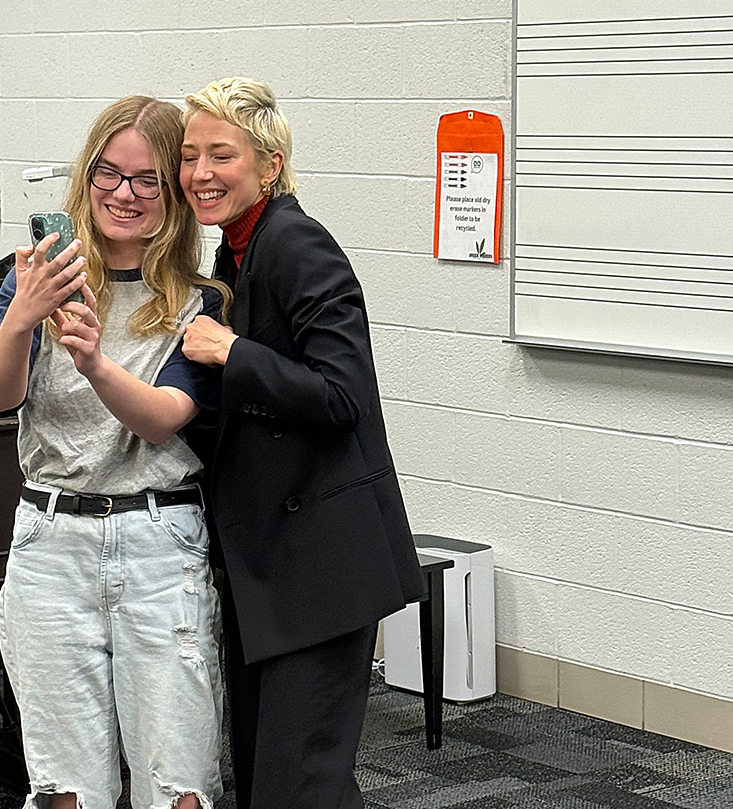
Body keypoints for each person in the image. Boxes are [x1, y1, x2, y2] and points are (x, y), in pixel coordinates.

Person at [179, 77, 427, 809]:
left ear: (270, 163)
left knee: (298, 782)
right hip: (271, 563)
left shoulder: (295, 241)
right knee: (275, 778)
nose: (199, 173)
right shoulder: (234, 253)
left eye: (220, 154)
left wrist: (232, 354)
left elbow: (344, 395)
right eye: (190, 155)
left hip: (321, 563)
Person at [0, 95, 229, 809]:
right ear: (87, 177)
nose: (124, 193)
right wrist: (24, 316)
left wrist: (93, 361)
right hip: (52, 546)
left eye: (147, 179)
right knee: (66, 789)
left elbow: (164, 419)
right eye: (108, 173)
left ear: (173, 194)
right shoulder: (35, 277)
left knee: (178, 786)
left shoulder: (197, 301)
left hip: (159, 545)